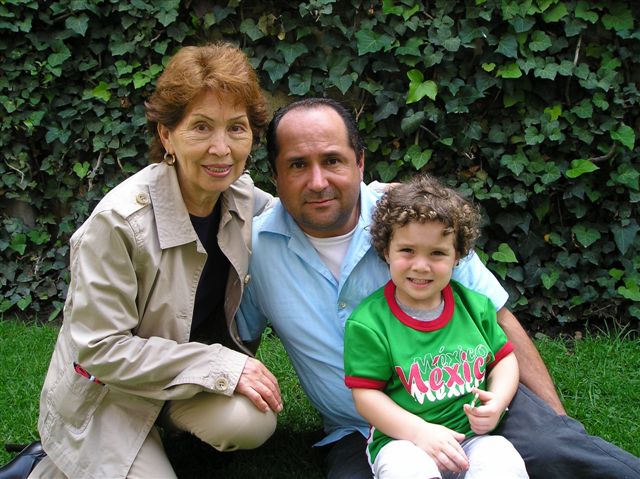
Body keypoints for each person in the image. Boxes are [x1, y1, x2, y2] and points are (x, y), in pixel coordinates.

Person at [236, 97, 640, 479]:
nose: (318, 181)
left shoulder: (415, 220)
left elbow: (498, 319)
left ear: (359, 162)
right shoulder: (253, 249)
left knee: (554, 452)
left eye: (332, 160)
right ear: (276, 174)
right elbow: (239, 342)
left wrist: (556, 422)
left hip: (469, 403)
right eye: (297, 165)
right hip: (362, 430)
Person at [1, 42, 283, 479]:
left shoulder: (242, 198)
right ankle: (44, 465)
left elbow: (306, 213)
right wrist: (222, 364)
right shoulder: (118, 223)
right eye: (201, 127)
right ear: (166, 135)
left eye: (236, 128)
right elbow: (100, 349)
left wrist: (382, 201)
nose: (221, 148)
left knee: (251, 420)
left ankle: (160, 438)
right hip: (110, 393)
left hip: (178, 380)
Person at [344, 174, 527, 478]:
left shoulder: (475, 307)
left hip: (472, 436)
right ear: (386, 250)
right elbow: (366, 397)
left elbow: (504, 359)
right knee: (406, 470)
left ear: (458, 256)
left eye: (437, 253)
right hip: (404, 440)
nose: (421, 265)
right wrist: (420, 432)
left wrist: (498, 401)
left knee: (503, 459)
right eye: (407, 250)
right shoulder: (369, 323)